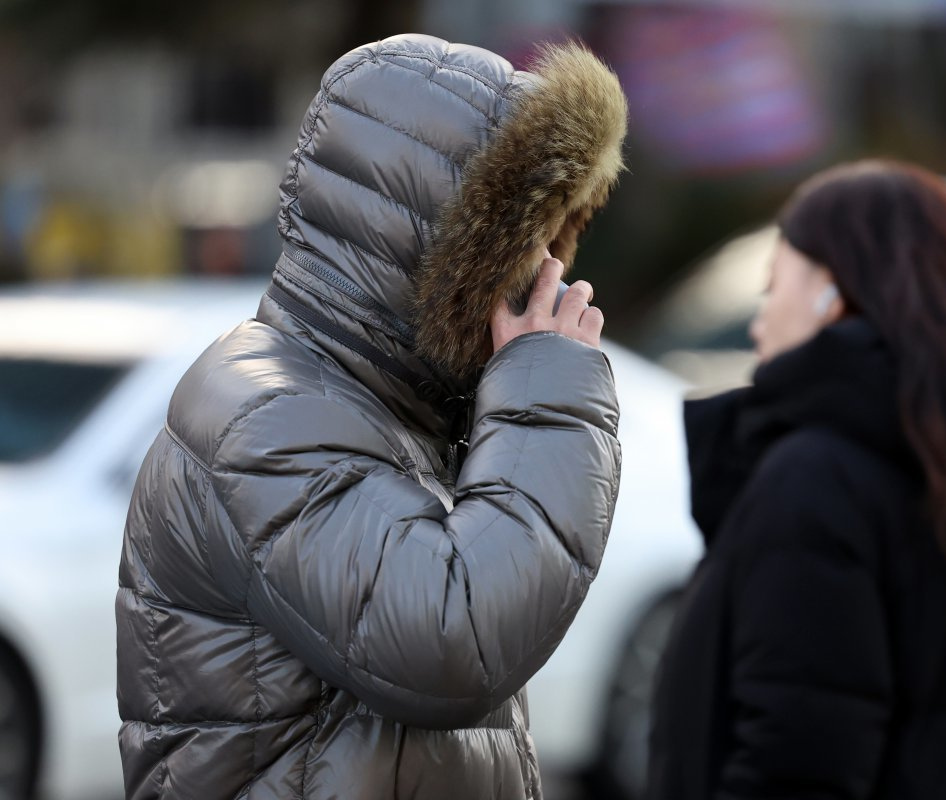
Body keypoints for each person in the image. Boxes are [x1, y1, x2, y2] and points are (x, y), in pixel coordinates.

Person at [116, 34, 627, 799]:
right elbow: (452, 641)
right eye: (524, 248)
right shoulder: (264, 414)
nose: (552, 274)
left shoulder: (389, 413)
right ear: (431, 250)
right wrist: (549, 392)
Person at [647, 159, 946, 800]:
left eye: (772, 287)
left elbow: (797, 767)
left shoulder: (814, 482)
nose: (757, 321)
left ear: (831, 293)